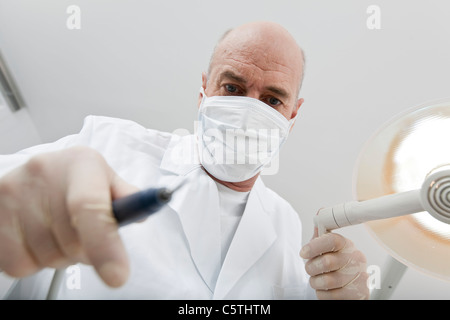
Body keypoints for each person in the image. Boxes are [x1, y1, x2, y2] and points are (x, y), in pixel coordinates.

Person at [0, 21, 369, 300]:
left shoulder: (287, 224)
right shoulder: (105, 144)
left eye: (272, 100)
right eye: (233, 88)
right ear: (203, 92)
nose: (247, 110)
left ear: (292, 115)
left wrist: (341, 292)